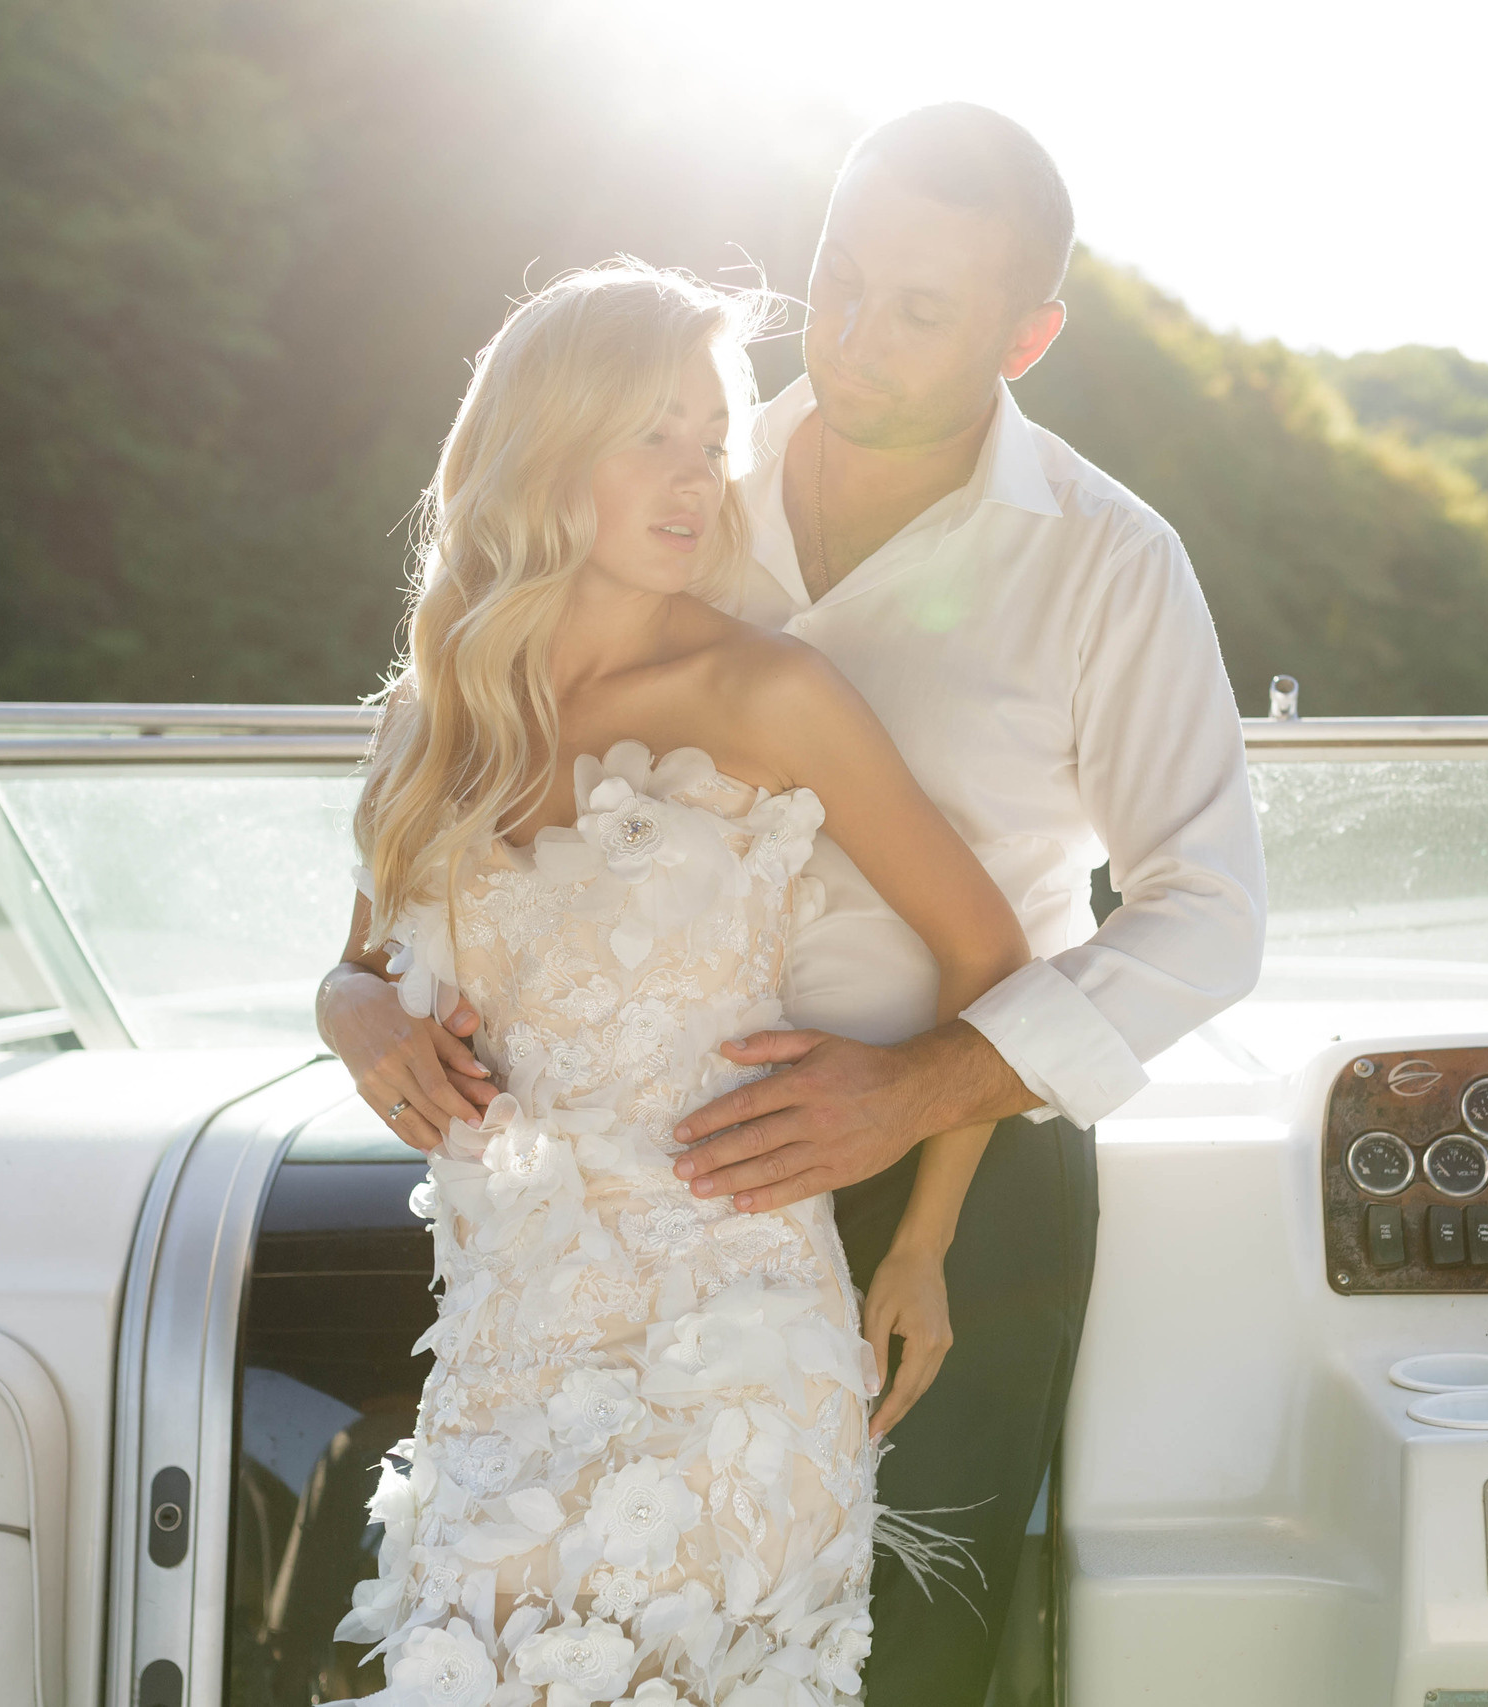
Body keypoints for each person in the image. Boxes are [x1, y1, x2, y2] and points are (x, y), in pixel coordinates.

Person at [320, 106, 1268, 1704]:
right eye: (838, 278)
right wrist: (351, 1003)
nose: (851, 334)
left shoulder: (1109, 559)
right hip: (593, 1224)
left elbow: (1210, 915)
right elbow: (410, 888)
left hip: (961, 1161)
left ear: (1024, 335)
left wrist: (922, 1092)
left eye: (920, 310)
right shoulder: (682, 463)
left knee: (888, 1666)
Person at [323, 260, 1031, 1706]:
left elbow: (992, 958)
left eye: (711, 441)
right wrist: (354, 1020)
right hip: (501, 1352)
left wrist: (921, 1247)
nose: (696, 476)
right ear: (542, 444)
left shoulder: (770, 693)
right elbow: (354, 969)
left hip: (732, 1349)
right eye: (651, 433)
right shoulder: (437, 711)